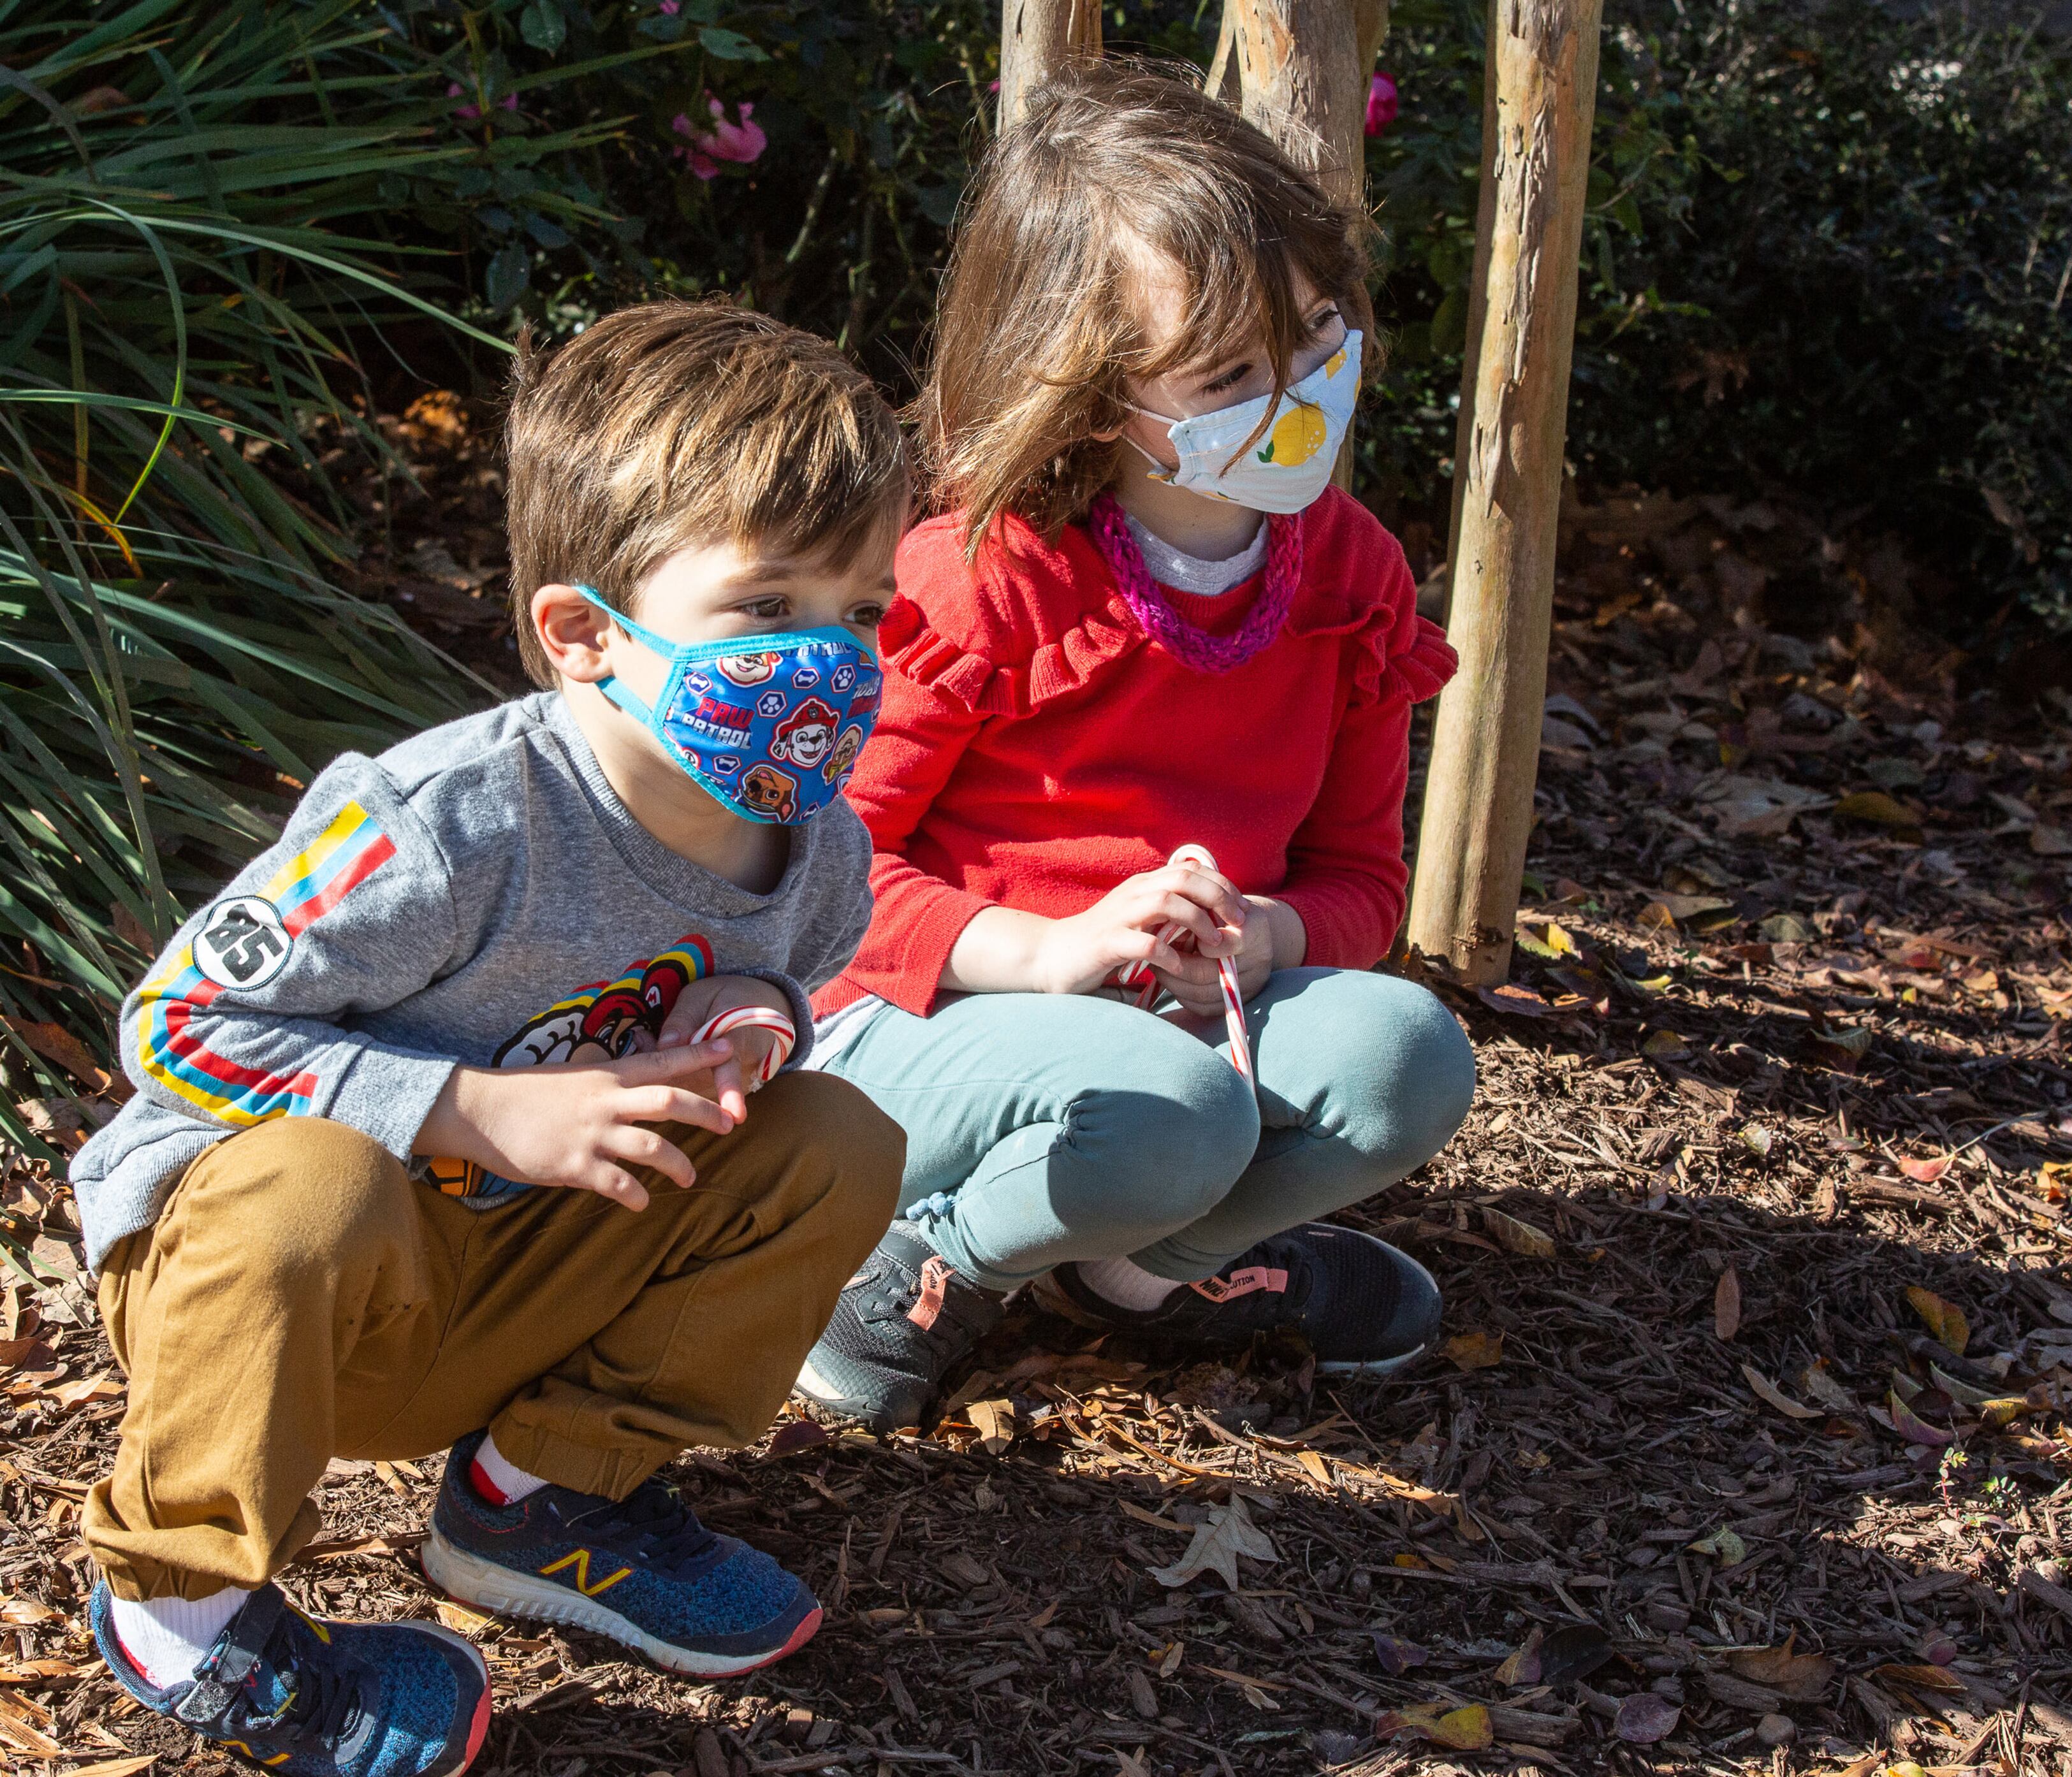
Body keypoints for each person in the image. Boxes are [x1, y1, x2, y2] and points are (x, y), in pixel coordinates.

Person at [68, 301, 908, 1777]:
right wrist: (466, 1107)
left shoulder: (815, 843)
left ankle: (539, 1494)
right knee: (308, 1184)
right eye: (769, 610)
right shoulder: (443, 821)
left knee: (834, 1144)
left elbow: (795, 987)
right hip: (280, 1301)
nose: (827, 662)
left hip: (521, 1269)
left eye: (861, 612)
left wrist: (756, 1013)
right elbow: (173, 1021)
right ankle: (179, 1603)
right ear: (583, 632)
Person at [796, 65, 1478, 1435]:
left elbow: (1361, 879)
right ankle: (925, 1258)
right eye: (1227, 372)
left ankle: (1138, 1275)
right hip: (930, 1021)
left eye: (1314, 334)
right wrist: (1044, 952)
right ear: (1094, 392)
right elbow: (817, 877)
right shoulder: (978, 576)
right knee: (1173, 1110)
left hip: (1183, 1027)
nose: (1293, 392)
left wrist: (1273, 934)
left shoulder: (1351, 577)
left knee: (1408, 1055)